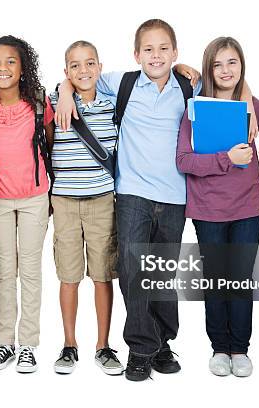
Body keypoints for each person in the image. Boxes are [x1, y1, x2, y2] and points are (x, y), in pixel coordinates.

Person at [55, 19, 204, 381]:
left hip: (174, 195)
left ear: (175, 52)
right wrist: (62, 91)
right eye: (148, 49)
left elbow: (230, 93)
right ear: (136, 55)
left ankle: (162, 343)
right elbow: (77, 77)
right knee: (134, 273)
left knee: (163, 274)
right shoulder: (120, 83)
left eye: (163, 48)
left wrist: (194, 75)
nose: (156, 55)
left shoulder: (188, 87)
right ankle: (140, 348)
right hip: (132, 192)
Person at [176, 37, 259, 377]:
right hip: (208, 210)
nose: (226, 70)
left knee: (241, 280)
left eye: (232, 62)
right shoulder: (195, 108)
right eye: (218, 64)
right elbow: (184, 160)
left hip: (247, 208)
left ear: (242, 66)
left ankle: (239, 348)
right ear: (208, 69)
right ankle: (219, 347)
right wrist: (225, 159)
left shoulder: (254, 106)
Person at [0, 35, 54, 374]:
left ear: (23, 67)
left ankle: (28, 344)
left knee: (30, 270)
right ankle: (5, 343)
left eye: (10, 62)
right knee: (5, 271)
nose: (3, 68)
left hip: (34, 196)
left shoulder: (38, 102)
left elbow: (48, 142)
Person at [49, 40, 123, 376]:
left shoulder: (112, 105)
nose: (83, 71)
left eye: (90, 63)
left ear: (100, 67)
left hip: (102, 199)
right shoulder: (55, 102)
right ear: (65, 72)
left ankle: (103, 345)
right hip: (63, 200)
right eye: (75, 66)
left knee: (102, 275)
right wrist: (63, 92)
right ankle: (69, 344)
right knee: (69, 275)